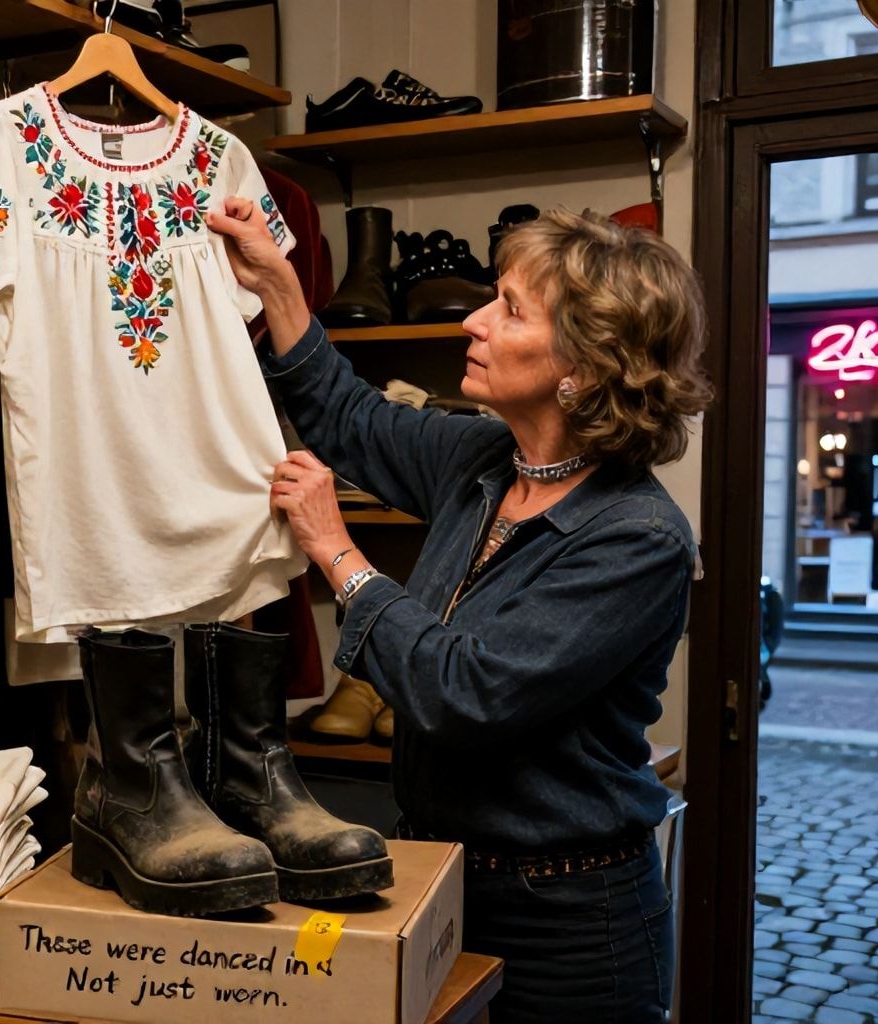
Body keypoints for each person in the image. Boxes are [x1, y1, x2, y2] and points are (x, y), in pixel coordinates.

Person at [208, 201, 711, 1023]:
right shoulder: (483, 458)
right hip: (438, 878)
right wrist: (279, 287)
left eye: (510, 308)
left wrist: (337, 551)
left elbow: (463, 693)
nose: (474, 322)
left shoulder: (638, 538)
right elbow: (353, 420)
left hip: (568, 927)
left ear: (584, 367)